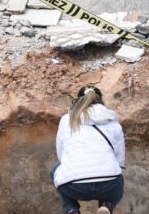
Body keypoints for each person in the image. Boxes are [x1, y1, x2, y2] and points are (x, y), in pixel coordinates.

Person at [51, 85, 125, 214]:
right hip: (109, 184)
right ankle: (107, 205)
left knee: (54, 170)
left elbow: (61, 155)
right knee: (116, 173)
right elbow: (120, 159)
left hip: (74, 186)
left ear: (78, 100)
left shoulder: (67, 119)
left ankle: (72, 209)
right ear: (100, 100)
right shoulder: (112, 121)